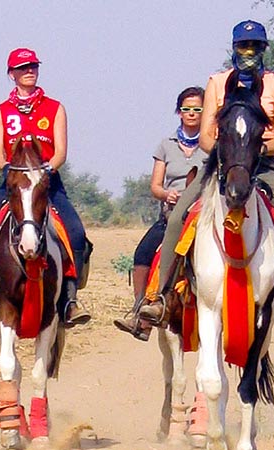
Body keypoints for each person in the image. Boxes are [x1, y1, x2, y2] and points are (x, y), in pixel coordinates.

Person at [138, 20, 274, 335]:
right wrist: (232, 153)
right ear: (234, 48)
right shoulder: (216, 83)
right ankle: (160, 297)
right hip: (221, 165)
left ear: (263, 49)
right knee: (178, 218)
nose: (249, 52)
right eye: (243, 46)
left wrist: (251, 151)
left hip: (263, 166)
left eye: (255, 46)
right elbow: (206, 139)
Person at [0, 48, 91, 326]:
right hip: (13, 182)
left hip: (47, 183)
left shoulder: (55, 108)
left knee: (75, 231)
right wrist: (12, 171)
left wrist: (45, 169)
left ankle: (70, 299)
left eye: (33, 66)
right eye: (23, 68)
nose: (30, 71)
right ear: (11, 74)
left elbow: (60, 152)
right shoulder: (0, 112)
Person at [113, 86, 207, 341]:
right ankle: (140, 313)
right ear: (179, 112)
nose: (191, 113)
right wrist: (167, 194)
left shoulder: (212, 145)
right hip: (171, 215)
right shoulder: (166, 145)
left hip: (201, 216)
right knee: (143, 253)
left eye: (197, 109)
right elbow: (155, 186)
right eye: (186, 109)